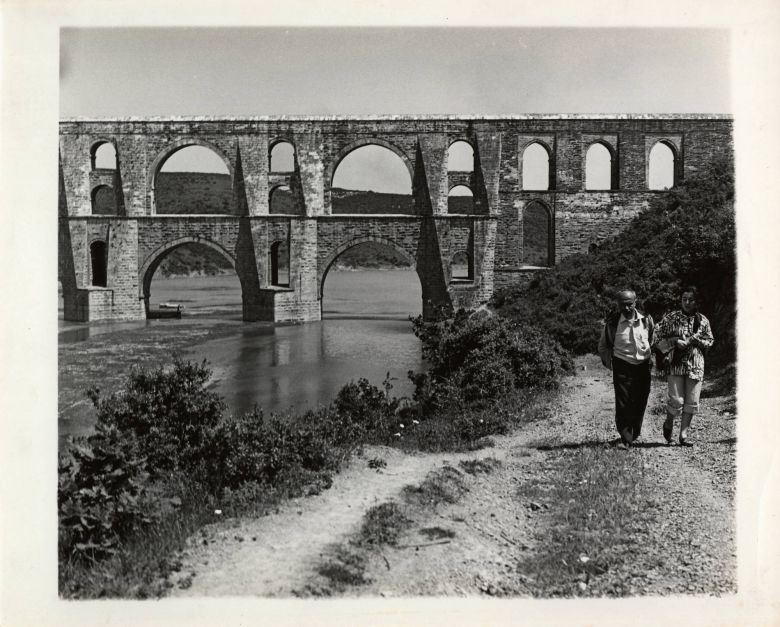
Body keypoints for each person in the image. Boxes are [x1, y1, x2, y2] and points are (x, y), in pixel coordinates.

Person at [653, 287, 714, 446]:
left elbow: (710, 341)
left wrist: (696, 341)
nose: (687, 302)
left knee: (692, 400)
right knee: (677, 400)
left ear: (696, 301)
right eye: (684, 299)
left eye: (691, 299)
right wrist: (674, 341)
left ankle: (683, 435)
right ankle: (668, 422)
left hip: (696, 365)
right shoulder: (671, 318)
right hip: (675, 364)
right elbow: (656, 337)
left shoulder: (703, 321)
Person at [598, 289, 655, 449]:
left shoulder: (646, 319)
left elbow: (652, 339)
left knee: (641, 400)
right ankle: (626, 438)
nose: (627, 308)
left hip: (643, 365)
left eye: (630, 304)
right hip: (622, 365)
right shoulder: (612, 322)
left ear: (635, 302)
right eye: (623, 305)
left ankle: (633, 433)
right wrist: (611, 364)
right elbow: (603, 346)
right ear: (618, 304)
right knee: (623, 403)